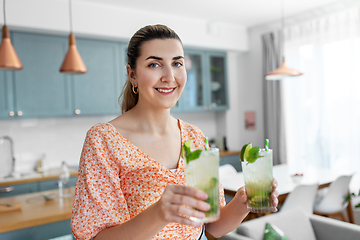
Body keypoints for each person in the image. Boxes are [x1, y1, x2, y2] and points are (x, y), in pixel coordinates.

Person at [71, 24, 279, 240]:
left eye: (177, 63)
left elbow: (211, 227)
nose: (169, 76)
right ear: (132, 74)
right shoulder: (103, 139)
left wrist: (241, 203)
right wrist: (159, 214)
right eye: (154, 64)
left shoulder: (194, 136)